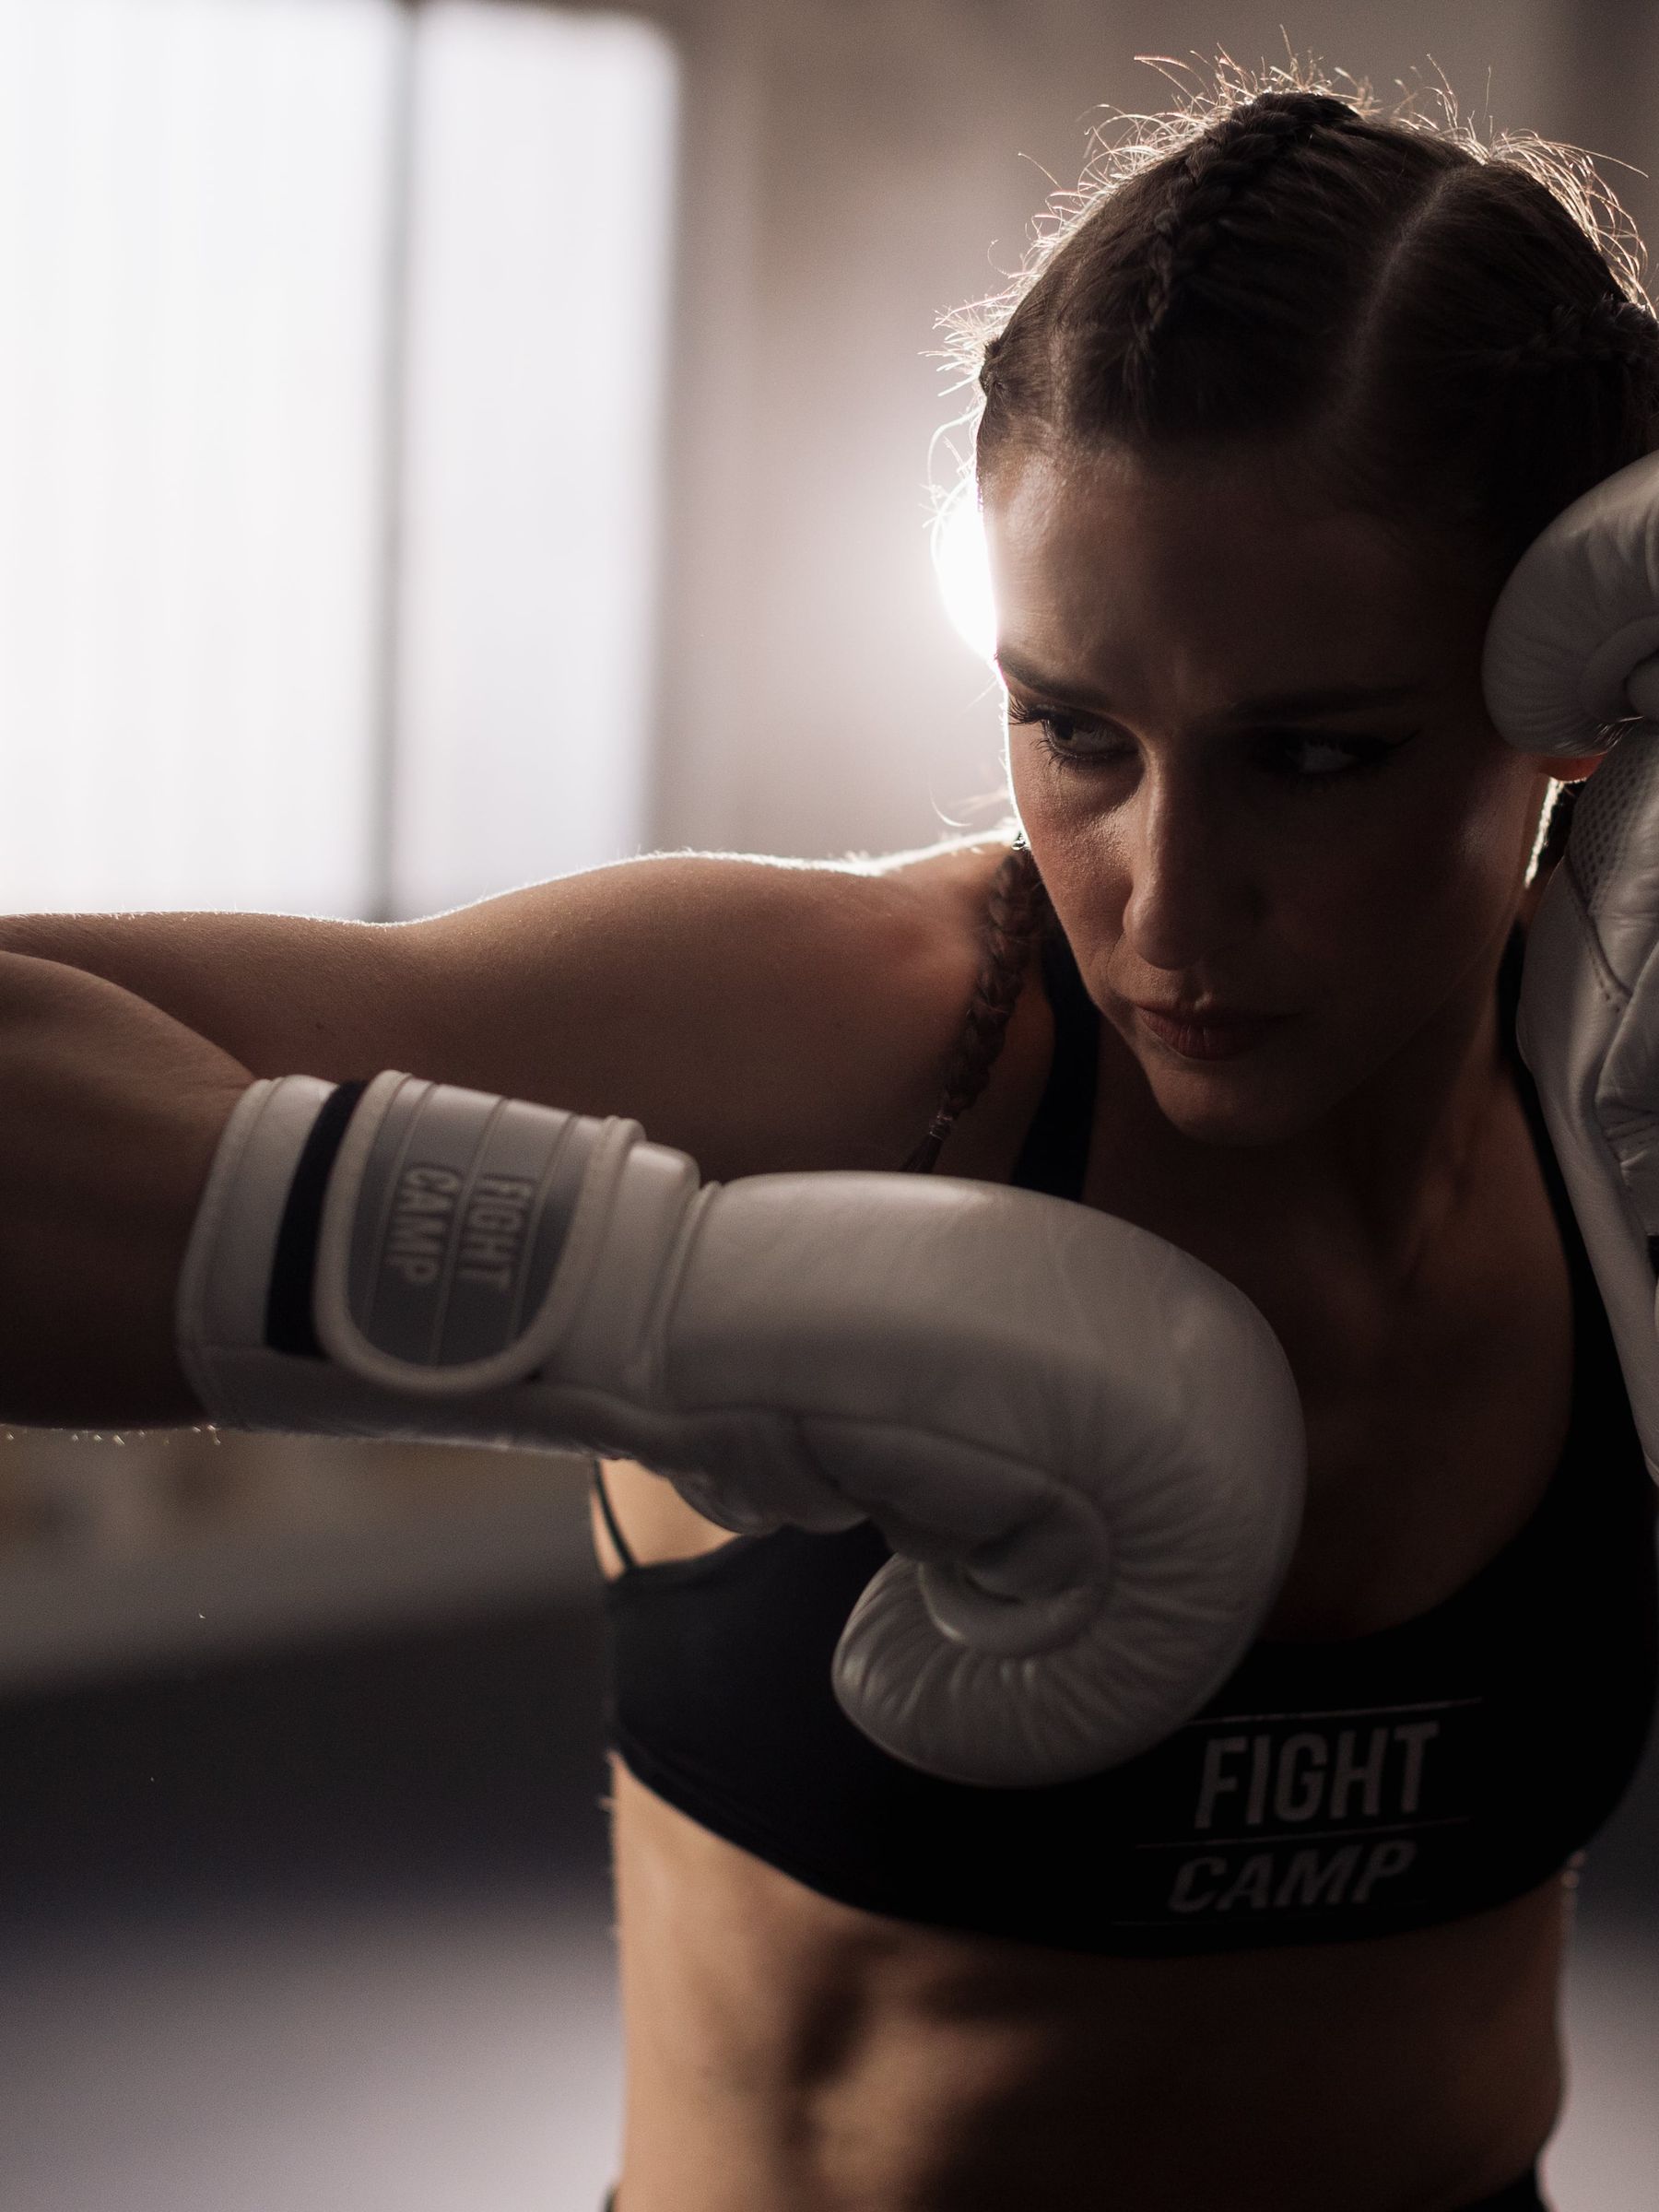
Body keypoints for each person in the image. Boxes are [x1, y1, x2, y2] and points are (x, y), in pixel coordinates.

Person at [2, 72, 1657, 2212]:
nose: (1162, 896)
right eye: (1072, 728)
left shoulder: (1617, 1115)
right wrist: (650, 1304)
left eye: (1316, 755)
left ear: (1581, 688)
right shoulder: (894, 1048)